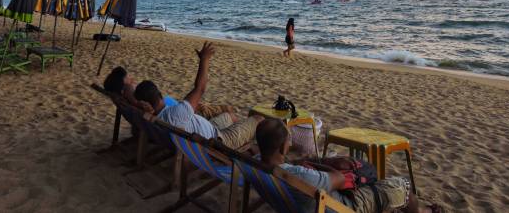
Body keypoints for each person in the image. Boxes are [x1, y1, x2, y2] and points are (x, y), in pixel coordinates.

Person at [255, 119, 440, 213]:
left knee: (370, 177)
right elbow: (340, 179)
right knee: (403, 188)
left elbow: (294, 166)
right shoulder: (297, 176)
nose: (290, 144)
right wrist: (327, 163)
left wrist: (316, 163)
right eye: (288, 141)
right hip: (347, 205)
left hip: (301, 202)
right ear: (282, 147)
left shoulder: (256, 162)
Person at [134, 41, 264, 149]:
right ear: (160, 94)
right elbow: (200, 88)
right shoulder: (175, 114)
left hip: (210, 129)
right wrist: (204, 59)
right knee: (259, 119)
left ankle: (243, 133)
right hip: (218, 141)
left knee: (230, 116)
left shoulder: (153, 119)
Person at [103, 66, 233, 120]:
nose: (131, 79)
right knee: (226, 110)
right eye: (128, 78)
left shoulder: (126, 100)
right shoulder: (133, 96)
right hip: (184, 113)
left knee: (214, 108)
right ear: (123, 85)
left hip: (177, 108)